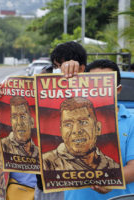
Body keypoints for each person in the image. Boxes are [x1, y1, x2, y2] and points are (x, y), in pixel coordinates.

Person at [65, 59, 134, 199]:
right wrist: (66, 70)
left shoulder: (131, 121)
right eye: (93, 86)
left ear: (118, 89)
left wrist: (111, 180)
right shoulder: (69, 120)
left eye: (105, 86)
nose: (99, 91)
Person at [43, 97, 119, 170]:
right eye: (68, 124)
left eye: (83, 122)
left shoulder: (113, 166)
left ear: (97, 128)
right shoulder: (45, 162)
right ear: (61, 131)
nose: (76, 130)